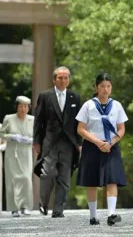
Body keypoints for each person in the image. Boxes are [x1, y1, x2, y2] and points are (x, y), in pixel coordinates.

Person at [75, 73, 128, 226]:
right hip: (92, 146)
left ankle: (111, 214)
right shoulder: (88, 105)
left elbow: (121, 128)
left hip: (111, 146)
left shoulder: (116, 105)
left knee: (112, 179)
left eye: (108, 86)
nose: (105, 90)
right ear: (96, 87)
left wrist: (111, 142)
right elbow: (81, 129)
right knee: (92, 181)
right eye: (102, 87)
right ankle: (93, 216)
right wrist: (98, 142)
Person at [33, 66, 82, 218]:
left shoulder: (75, 97)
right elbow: (39, 120)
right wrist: (36, 141)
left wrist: (79, 143)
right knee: (47, 173)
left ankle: (58, 210)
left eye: (66, 77)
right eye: (60, 78)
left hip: (68, 143)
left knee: (64, 177)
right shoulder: (45, 96)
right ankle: (44, 202)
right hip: (50, 142)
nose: (63, 80)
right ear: (54, 79)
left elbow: (79, 122)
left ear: (69, 79)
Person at [0, 96, 34, 217]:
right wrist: (12, 136)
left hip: (26, 152)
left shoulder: (32, 120)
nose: (23, 109)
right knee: (13, 180)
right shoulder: (9, 118)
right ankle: (14, 208)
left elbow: (38, 135)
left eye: (25, 106)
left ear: (28, 108)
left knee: (26, 179)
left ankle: (25, 206)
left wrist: (31, 140)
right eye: (21, 106)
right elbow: (2, 133)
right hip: (12, 153)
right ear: (17, 107)